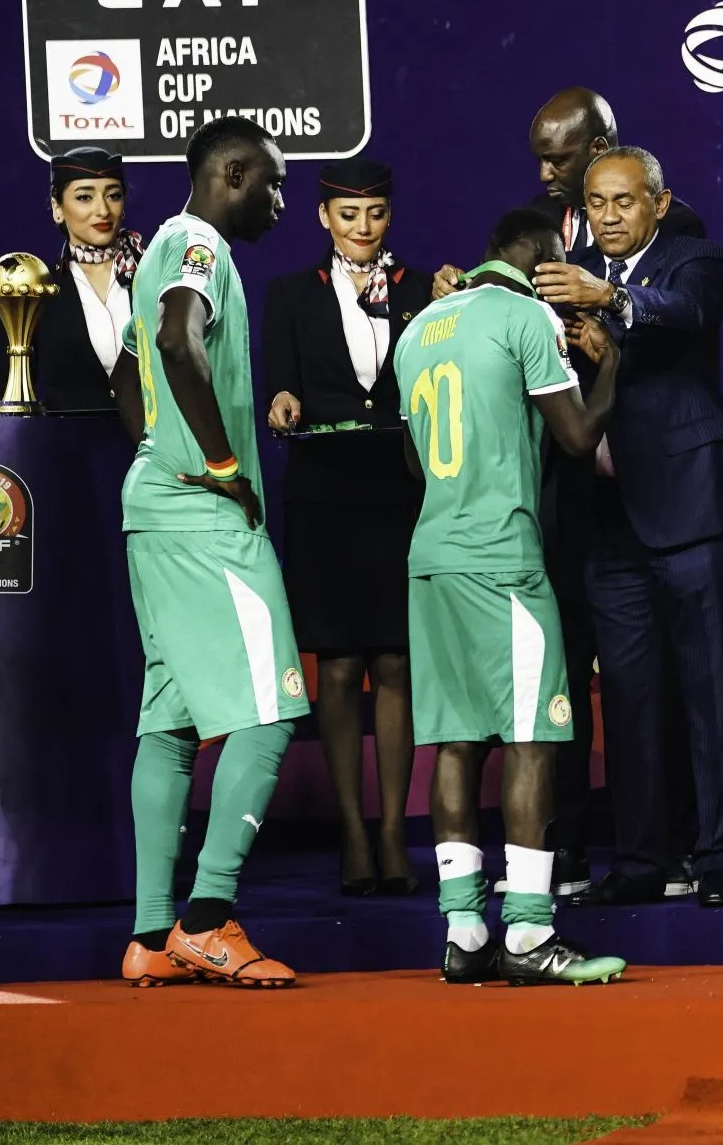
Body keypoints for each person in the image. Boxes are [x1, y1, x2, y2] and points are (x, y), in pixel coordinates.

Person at [432, 88, 708, 899]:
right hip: (555, 495)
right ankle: (564, 853)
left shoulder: (676, 229)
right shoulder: (536, 231)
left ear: (607, 144)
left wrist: (605, 310)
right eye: (542, 159)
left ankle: (665, 848)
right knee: (554, 686)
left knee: (645, 684)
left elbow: (676, 321)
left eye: (564, 157)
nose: (548, 172)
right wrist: (475, 291)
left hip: (644, 494)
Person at [395, 208, 626, 984]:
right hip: (504, 560)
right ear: (541, 258)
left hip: (433, 555)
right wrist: (614, 362)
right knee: (532, 737)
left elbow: (412, 454)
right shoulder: (525, 315)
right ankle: (528, 933)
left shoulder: (419, 325)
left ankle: (463, 933)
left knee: (456, 741)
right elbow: (577, 436)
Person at [107, 115, 307, 989]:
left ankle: (151, 935)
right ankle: (210, 917)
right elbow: (177, 341)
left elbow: (126, 370)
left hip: (153, 508)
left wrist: (158, 453)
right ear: (230, 173)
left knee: (172, 719)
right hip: (202, 517)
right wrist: (220, 466)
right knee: (270, 708)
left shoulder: (155, 253)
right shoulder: (194, 246)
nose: (281, 200)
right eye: (273, 182)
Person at [531, 147, 723, 908]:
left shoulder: (700, 259)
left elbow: (682, 312)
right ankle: (637, 859)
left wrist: (611, 304)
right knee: (626, 698)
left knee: (710, 690)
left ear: (658, 204)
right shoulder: (564, 278)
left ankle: (719, 854)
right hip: (606, 521)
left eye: (625, 202)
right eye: (597, 203)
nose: (608, 215)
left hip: (689, 509)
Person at [264, 160, 429, 896]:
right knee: (335, 666)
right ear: (324, 218)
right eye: (350, 214)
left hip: (398, 492)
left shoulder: (425, 291)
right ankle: (352, 832)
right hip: (326, 494)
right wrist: (282, 399)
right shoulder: (291, 295)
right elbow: (280, 382)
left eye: (377, 214)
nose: (364, 228)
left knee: (395, 662)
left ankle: (395, 828)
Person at [31, 148, 141, 413]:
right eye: (84, 197)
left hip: (156, 446)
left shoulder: (153, 275)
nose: (102, 210)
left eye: (113, 196)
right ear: (58, 208)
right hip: (69, 449)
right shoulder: (37, 290)